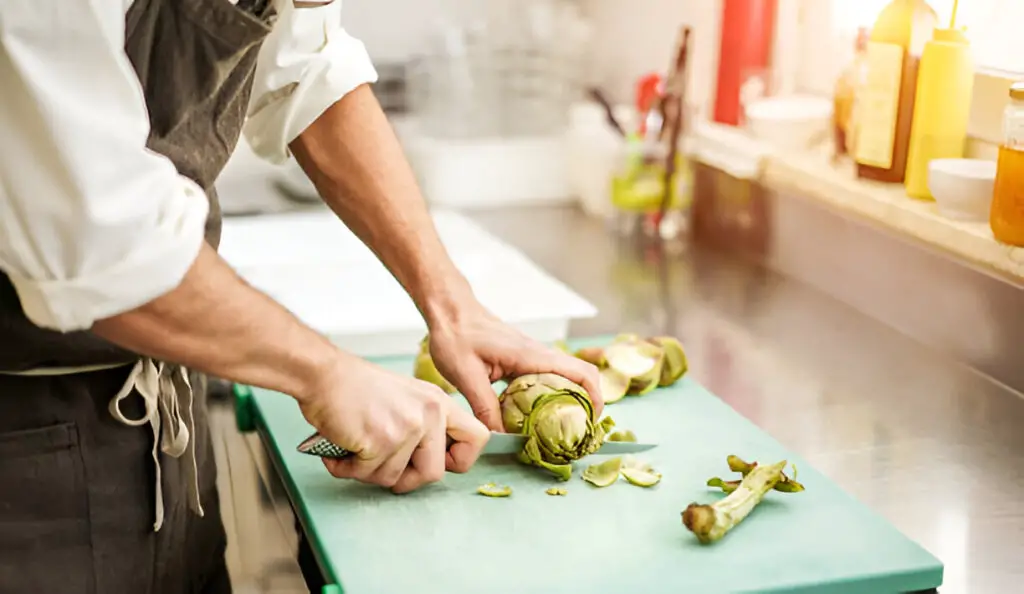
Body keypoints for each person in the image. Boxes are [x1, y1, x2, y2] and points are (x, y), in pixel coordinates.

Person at [0, 1, 602, 592]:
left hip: (163, 423)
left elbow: (307, 71)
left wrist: (453, 307)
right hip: (27, 458)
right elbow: (99, 244)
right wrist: (327, 375)